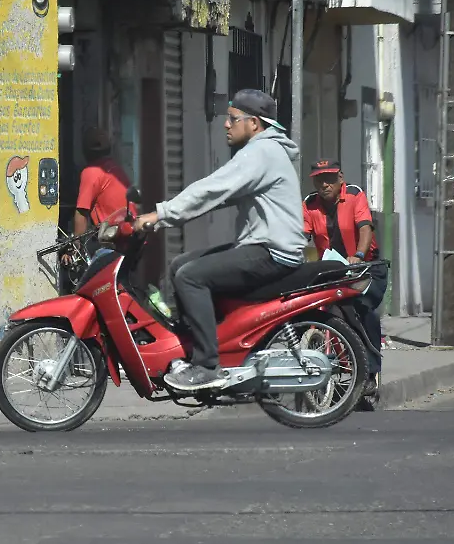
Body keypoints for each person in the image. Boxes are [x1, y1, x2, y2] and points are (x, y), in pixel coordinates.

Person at [134, 89, 306, 391]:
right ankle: (193, 346)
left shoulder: (261, 152)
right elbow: (219, 197)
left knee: (190, 277)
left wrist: (160, 214)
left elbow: (213, 188)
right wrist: (168, 218)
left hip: (273, 252)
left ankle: (207, 365)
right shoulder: (264, 151)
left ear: (254, 123)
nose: (226, 125)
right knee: (179, 264)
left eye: (233, 119)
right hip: (262, 246)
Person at [302, 159, 387, 401]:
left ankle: (371, 372)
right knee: (311, 310)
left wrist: (358, 255)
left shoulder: (354, 194)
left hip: (365, 267)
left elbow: (365, 228)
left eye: (329, 179)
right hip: (332, 272)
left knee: (363, 310)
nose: (324, 184)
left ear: (340, 178)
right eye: (319, 180)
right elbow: (301, 237)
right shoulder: (309, 204)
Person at [62, 127, 131, 266]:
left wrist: (75, 249)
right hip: (127, 238)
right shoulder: (115, 169)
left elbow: (81, 212)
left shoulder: (91, 171)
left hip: (112, 240)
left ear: (85, 151)